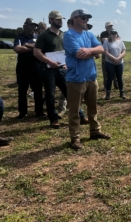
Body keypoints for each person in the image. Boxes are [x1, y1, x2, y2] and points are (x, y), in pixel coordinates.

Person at [63, 9, 111, 150]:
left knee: (93, 107)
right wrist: (94, 52)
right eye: (83, 18)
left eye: (87, 18)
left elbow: (101, 49)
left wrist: (89, 51)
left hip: (91, 76)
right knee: (74, 110)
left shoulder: (89, 34)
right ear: (74, 19)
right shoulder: (68, 35)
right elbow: (78, 54)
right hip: (76, 79)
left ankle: (95, 131)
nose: (86, 20)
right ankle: (75, 138)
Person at [34, 11, 88, 129]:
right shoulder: (44, 35)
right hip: (48, 70)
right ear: (50, 20)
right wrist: (50, 62)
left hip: (63, 69)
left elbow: (68, 51)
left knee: (70, 93)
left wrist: (67, 63)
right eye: (57, 19)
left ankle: (81, 116)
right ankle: (53, 119)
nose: (60, 21)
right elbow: (36, 52)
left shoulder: (64, 35)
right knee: (50, 95)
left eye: (61, 19)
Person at [13, 18, 45, 119]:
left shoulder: (38, 38)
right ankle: (22, 113)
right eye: (31, 26)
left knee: (38, 91)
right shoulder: (19, 38)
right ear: (25, 26)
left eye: (34, 26)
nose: (33, 28)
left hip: (36, 68)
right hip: (22, 69)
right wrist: (33, 47)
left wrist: (26, 45)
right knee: (22, 91)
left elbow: (41, 48)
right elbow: (18, 49)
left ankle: (39, 111)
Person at [103, 29, 126, 100]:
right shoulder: (106, 42)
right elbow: (106, 52)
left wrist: (118, 59)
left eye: (115, 33)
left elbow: (124, 51)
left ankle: (122, 92)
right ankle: (108, 94)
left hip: (120, 63)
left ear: (117, 34)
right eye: (112, 33)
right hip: (110, 63)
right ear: (110, 34)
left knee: (120, 78)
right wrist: (114, 59)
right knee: (110, 78)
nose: (114, 35)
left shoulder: (120, 42)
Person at [100, 22, 118, 90]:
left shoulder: (115, 32)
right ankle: (106, 85)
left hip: (114, 52)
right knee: (105, 70)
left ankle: (116, 85)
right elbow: (104, 40)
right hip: (106, 52)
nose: (110, 27)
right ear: (106, 27)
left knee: (116, 68)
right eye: (109, 26)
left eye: (111, 26)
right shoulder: (103, 33)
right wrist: (113, 38)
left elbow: (118, 40)